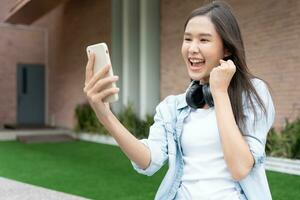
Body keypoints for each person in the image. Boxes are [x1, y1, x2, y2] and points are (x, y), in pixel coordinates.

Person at [83, 1, 275, 199]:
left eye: (204, 40)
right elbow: (149, 162)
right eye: (188, 39)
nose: (192, 48)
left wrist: (220, 93)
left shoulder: (254, 94)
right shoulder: (173, 107)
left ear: (226, 49)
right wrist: (105, 115)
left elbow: (240, 168)